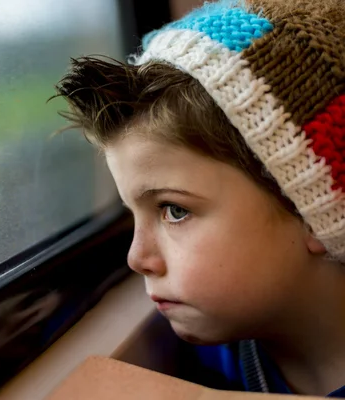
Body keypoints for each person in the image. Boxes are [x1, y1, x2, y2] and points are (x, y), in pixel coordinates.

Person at [53, 0, 345, 397]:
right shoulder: (214, 351)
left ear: (314, 209)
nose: (136, 258)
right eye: (132, 215)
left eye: (174, 210)